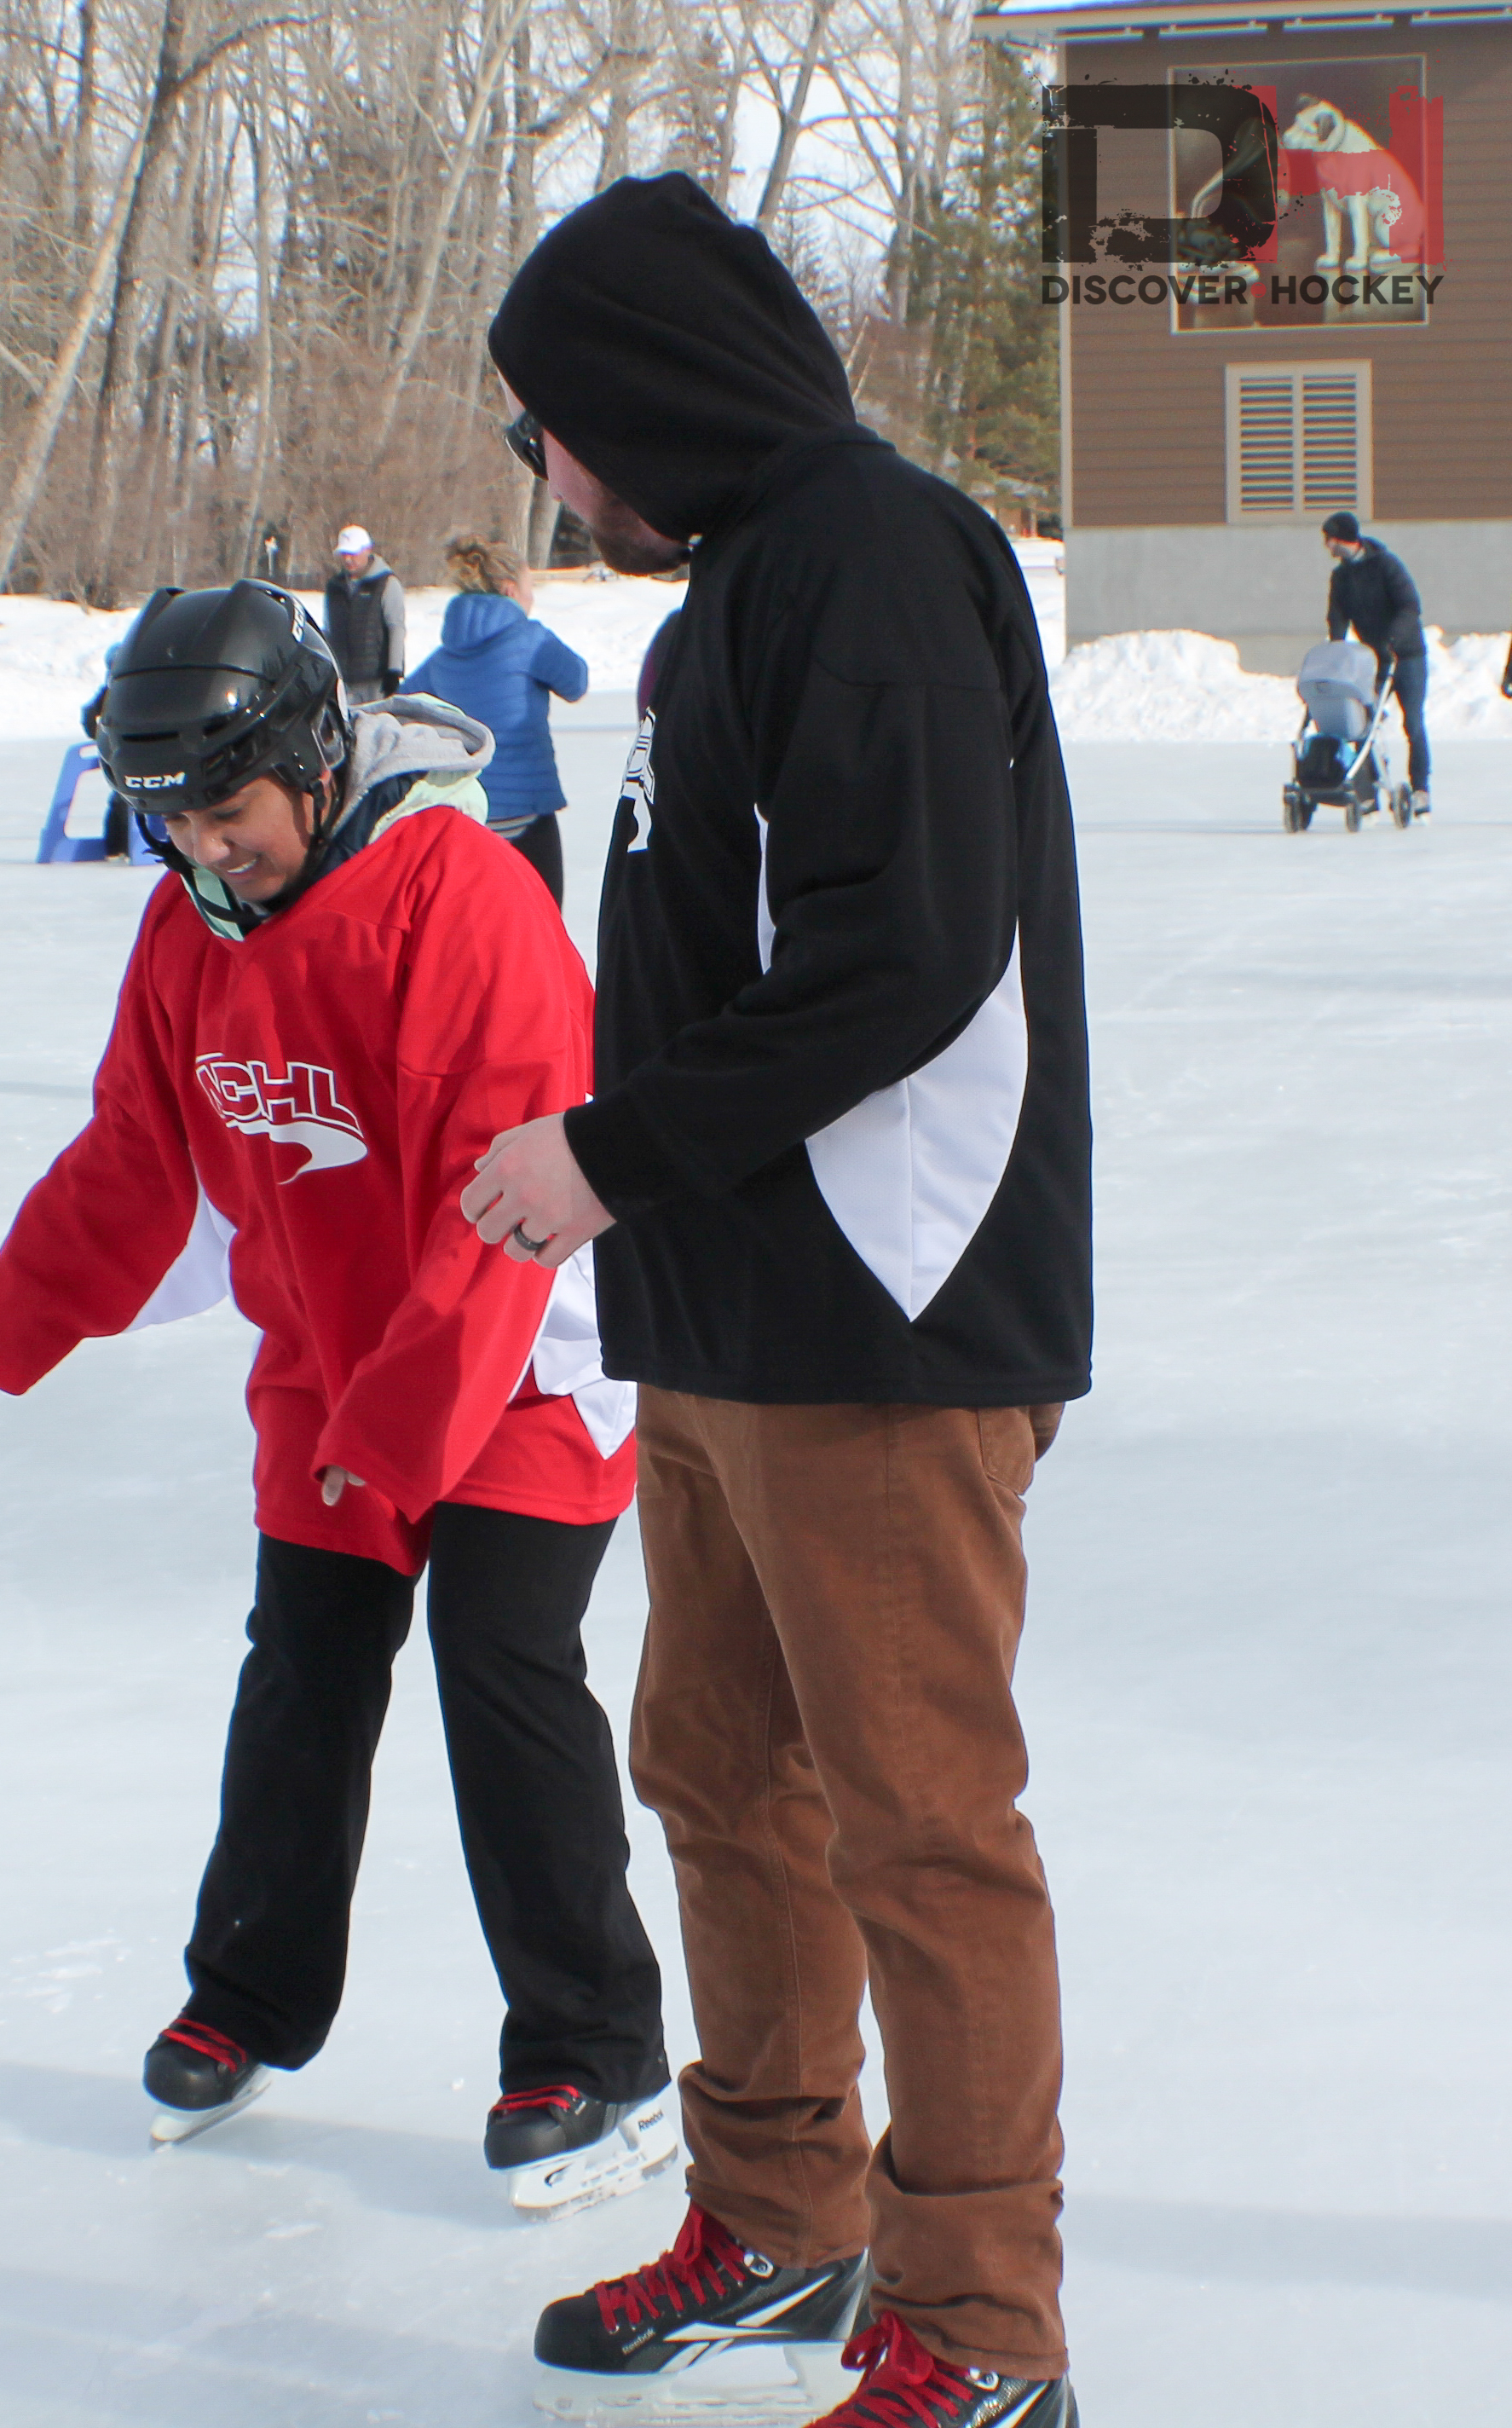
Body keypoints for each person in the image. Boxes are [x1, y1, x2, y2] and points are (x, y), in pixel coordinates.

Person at [460, 175, 1090, 2428]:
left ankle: (979, 2331)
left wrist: (608, 1153)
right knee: (719, 1773)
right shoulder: (741, 587)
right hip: (730, 1325)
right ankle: (784, 2219)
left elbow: (901, 957)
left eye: (540, 424)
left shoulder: (869, 555)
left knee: (914, 1822)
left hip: (883, 1330)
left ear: (629, 392)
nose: (538, 472)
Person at [0, 580, 672, 2214]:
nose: (206, 849)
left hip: (520, 1352)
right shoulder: (184, 933)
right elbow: (140, 1149)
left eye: (227, 810)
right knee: (303, 1671)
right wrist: (19, 1316)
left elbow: (510, 1191)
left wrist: (406, 1430)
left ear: (312, 757)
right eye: (171, 823)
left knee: (500, 1671)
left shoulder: (460, 895)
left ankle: (595, 2045)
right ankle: (253, 1997)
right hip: (336, 1365)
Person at [403, 531, 587, 908]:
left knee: (488, 933)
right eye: (528, 588)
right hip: (529, 817)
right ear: (508, 591)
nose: (532, 598)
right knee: (544, 928)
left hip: (471, 818)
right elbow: (577, 682)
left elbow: (403, 705)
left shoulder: (445, 655)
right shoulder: (531, 639)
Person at [1322, 512, 1430, 815]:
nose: (1328, 546)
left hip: (1406, 655)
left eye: (1330, 539)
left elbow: (1410, 607)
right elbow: (1337, 615)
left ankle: (1421, 789)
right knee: (1362, 723)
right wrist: (1336, 647)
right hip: (1372, 661)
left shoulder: (1386, 565)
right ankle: (1368, 790)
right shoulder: (1341, 576)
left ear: (1345, 539)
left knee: (1413, 722)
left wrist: (1393, 640)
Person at [321, 524, 406, 705]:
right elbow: (328, 631)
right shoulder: (334, 588)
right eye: (344, 554)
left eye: (353, 553)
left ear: (367, 550)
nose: (348, 559)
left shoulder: (386, 584)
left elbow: (396, 628)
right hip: (342, 681)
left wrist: (394, 670)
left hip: (375, 682)